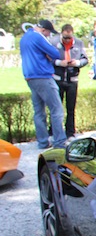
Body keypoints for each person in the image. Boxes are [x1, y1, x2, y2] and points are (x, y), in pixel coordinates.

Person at [20, 19, 66, 149]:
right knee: (56, 109)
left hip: (30, 77)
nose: (48, 36)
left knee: (39, 111)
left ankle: (43, 141)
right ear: (44, 30)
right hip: (43, 76)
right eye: (48, 33)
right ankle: (59, 142)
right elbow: (55, 53)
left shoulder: (25, 37)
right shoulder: (38, 37)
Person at [52, 24, 89, 140]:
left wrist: (77, 63)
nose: (67, 40)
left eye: (69, 38)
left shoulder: (78, 43)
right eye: (65, 38)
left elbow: (85, 59)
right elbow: (47, 58)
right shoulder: (53, 42)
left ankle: (70, 132)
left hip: (72, 79)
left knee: (71, 108)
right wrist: (59, 62)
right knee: (56, 108)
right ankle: (54, 132)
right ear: (61, 34)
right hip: (58, 78)